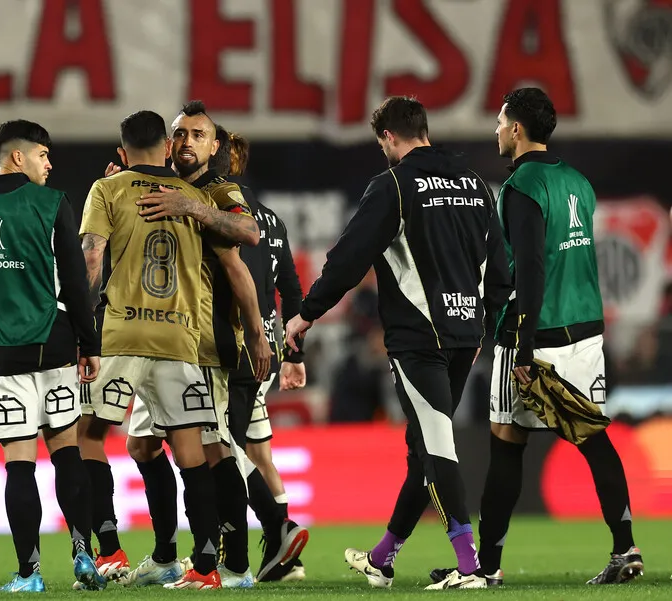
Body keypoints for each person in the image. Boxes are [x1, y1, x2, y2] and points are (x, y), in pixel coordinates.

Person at [285, 96, 511, 591]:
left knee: (435, 441)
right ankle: (383, 558)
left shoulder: (393, 185)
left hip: (417, 336)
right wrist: (486, 328)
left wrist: (306, 314)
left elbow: (348, 259)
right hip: (464, 333)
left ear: (388, 137)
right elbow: (500, 266)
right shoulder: (475, 185)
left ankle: (470, 568)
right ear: (423, 129)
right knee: (424, 447)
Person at [431, 87, 642, 587]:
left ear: (518, 130)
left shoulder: (521, 186)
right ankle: (625, 548)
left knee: (507, 443)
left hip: (534, 334)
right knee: (594, 438)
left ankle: (486, 567)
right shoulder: (579, 182)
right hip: (586, 331)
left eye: (501, 123)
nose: (497, 131)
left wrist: (523, 347)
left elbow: (529, 267)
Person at [79, 109, 262, 590]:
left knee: (90, 436)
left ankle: (113, 550)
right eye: (178, 133)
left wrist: (80, 327)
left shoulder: (204, 195)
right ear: (165, 146)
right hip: (182, 340)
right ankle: (195, 564)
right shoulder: (193, 195)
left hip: (131, 335)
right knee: (179, 449)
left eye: (197, 134)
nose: (185, 141)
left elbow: (93, 255)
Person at [0, 119, 103, 593]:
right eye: (43, 155)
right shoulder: (52, 204)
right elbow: (74, 280)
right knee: (67, 453)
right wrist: (89, 345)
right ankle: (82, 556)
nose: (50, 164)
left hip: (2, 357)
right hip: (55, 346)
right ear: (17, 157)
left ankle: (29, 575)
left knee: (19, 464)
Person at [223, 131, 311, 583]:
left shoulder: (223, 214)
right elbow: (291, 290)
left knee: (225, 449)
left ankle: (276, 533)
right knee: (258, 451)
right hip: (270, 350)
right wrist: (295, 355)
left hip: (235, 351)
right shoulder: (271, 219)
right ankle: (287, 560)